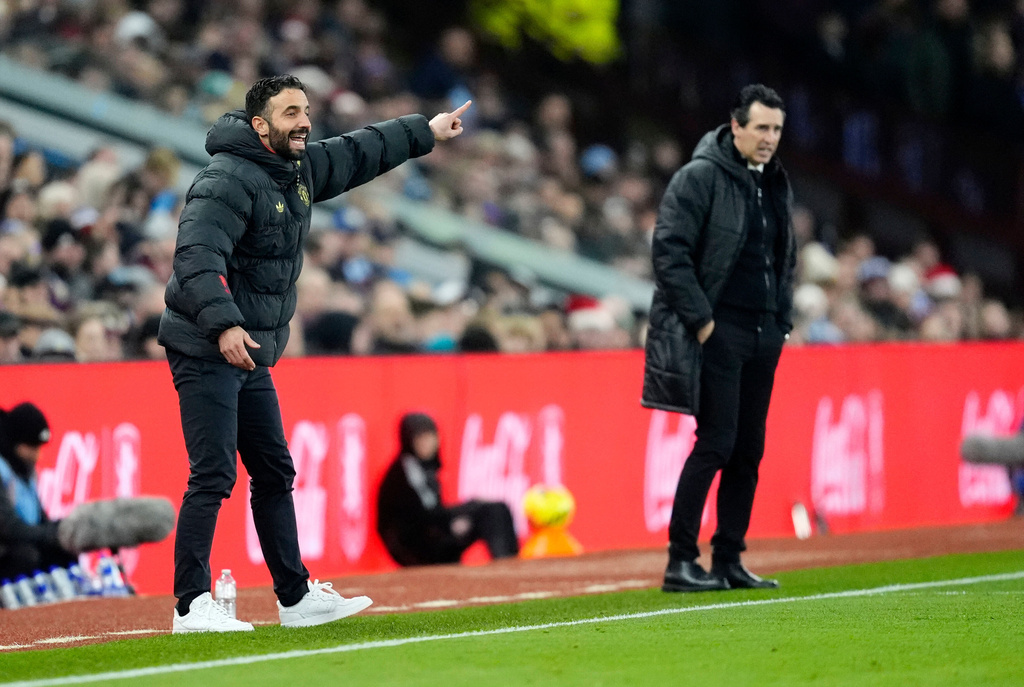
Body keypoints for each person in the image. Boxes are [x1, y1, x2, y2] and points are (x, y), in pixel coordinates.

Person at [157, 74, 470, 632]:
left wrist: (425, 131)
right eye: (290, 112)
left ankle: (295, 599)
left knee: (275, 471)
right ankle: (189, 605)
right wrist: (225, 324)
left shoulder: (294, 168)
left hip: (250, 350)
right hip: (209, 345)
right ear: (260, 125)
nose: (304, 121)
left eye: (306, 110)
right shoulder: (225, 179)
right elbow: (196, 255)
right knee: (213, 476)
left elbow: (357, 152)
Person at [641, 84, 796, 593]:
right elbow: (668, 251)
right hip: (720, 331)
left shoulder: (775, 182)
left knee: (749, 449)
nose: (770, 138)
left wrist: (782, 321)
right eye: (761, 128)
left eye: (776, 128)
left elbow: (783, 258)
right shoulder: (699, 177)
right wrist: (705, 324)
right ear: (735, 127)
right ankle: (681, 560)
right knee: (716, 443)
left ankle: (728, 557)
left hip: (763, 332)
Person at [377, 413, 519, 566]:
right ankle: (507, 565)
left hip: (430, 535)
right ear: (409, 441)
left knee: (498, 508)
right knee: (490, 512)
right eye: (421, 439)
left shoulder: (424, 467)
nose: (428, 444)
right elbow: (429, 514)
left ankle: (509, 563)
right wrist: (470, 507)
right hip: (417, 549)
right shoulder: (408, 469)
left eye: (431, 437)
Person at [0, 402, 77, 580]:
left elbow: (39, 518)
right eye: (33, 448)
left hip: (21, 542)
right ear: (16, 443)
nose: (38, 455)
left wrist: (60, 530)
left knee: (64, 550)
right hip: (6, 548)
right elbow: (8, 529)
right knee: (27, 556)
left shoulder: (25, 470)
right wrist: (52, 533)